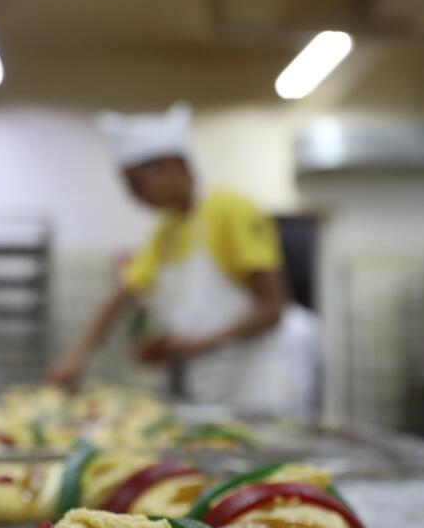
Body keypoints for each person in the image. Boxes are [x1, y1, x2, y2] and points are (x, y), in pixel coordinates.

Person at [46, 103, 318, 417]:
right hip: (212, 376)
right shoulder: (167, 231)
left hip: (259, 374)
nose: (133, 196)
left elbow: (273, 307)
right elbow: (122, 296)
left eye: (136, 184)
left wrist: (195, 345)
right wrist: (76, 357)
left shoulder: (230, 211)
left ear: (168, 164)